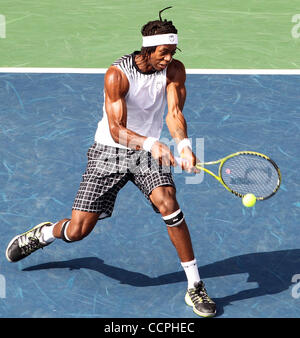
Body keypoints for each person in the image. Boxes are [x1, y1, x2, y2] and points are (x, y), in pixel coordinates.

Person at [5, 8, 216, 318]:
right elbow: (117, 130)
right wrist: (150, 143)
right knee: (78, 231)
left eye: (173, 52)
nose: (169, 58)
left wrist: (183, 145)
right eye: (163, 52)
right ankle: (45, 234)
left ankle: (195, 285)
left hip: (148, 153)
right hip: (110, 150)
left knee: (169, 203)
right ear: (147, 48)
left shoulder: (174, 71)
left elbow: (173, 114)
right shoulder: (117, 74)